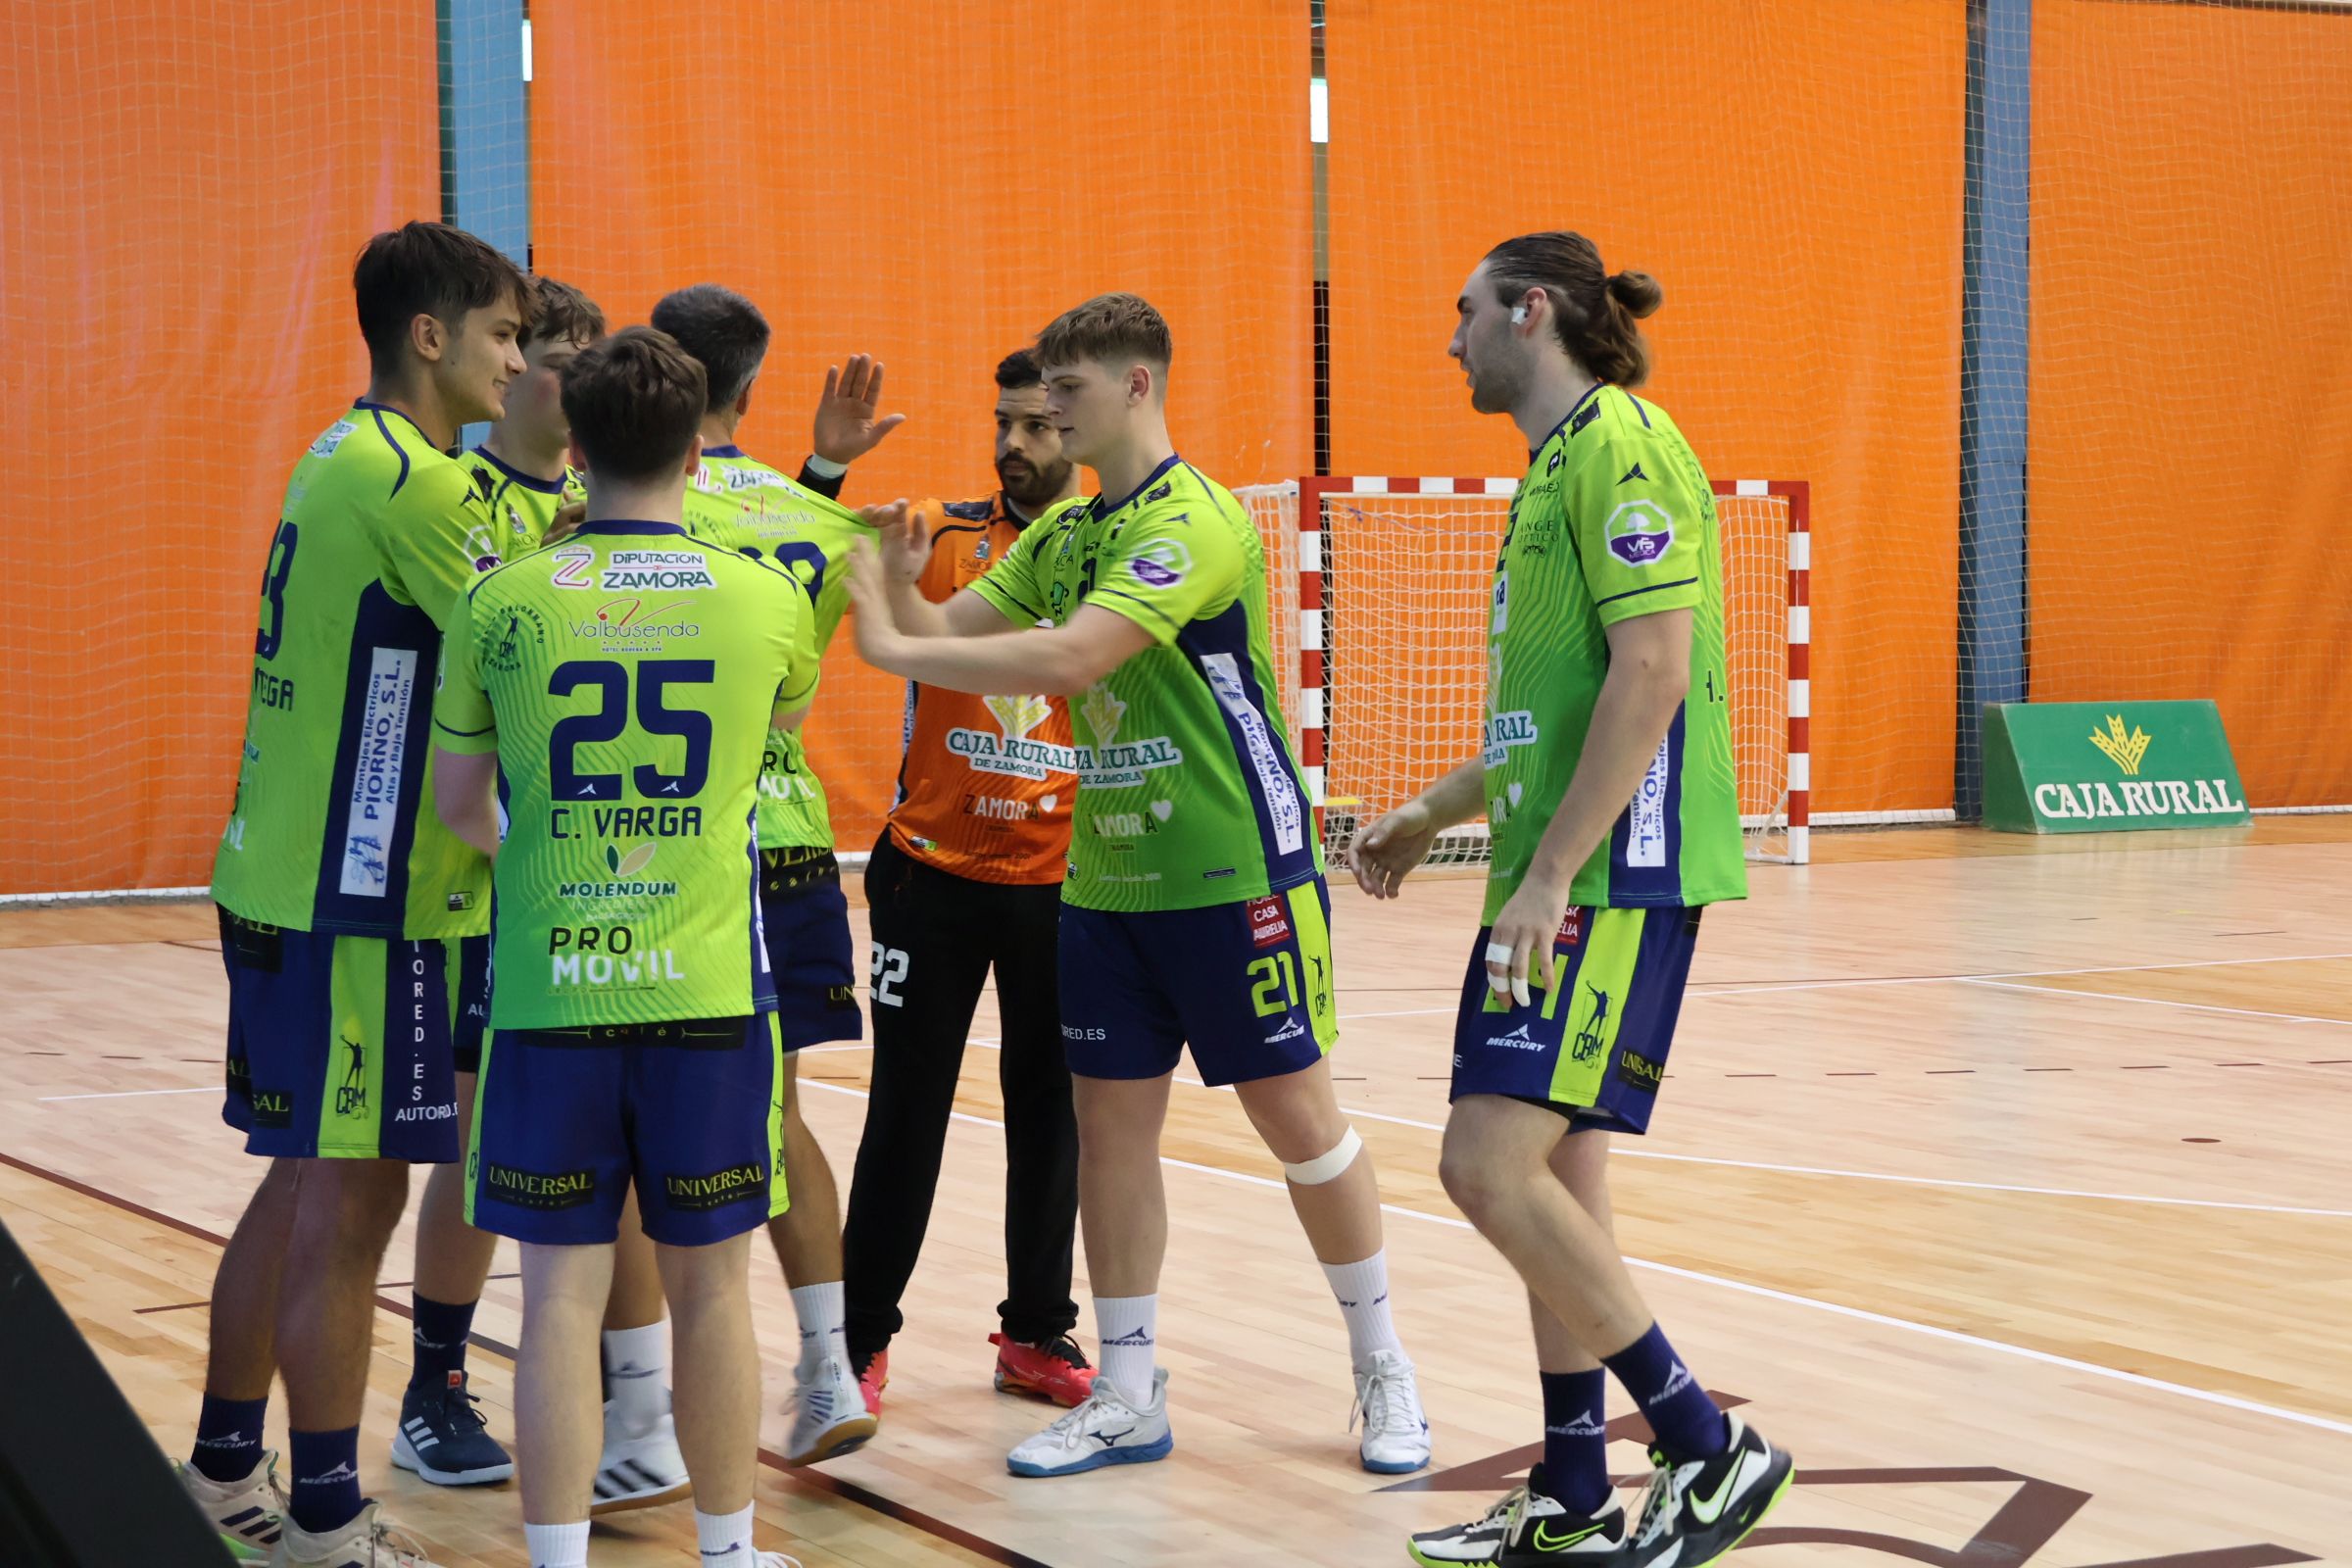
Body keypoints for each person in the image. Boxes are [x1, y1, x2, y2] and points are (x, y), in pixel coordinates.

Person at [846, 293, 1432, 1479]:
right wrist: (899, 592)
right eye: (1041, 394)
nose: (1047, 413)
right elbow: (951, 625)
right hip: (1107, 880)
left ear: (1136, 388)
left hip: (1230, 867)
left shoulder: (1193, 520)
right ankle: (1124, 1388)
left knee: (1299, 1124)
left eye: (1067, 391)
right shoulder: (1064, 535)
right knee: (1112, 1133)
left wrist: (898, 642)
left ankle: (1384, 1364)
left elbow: (1073, 656)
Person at [1352, 233, 1792, 1568]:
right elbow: (1559, 717)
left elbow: (1654, 672)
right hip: (1558, 870)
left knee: (1483, 1165)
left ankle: (1711, 1451)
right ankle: (1573, 1489)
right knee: (1556, 1178)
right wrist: (1437, 813)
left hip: (1612, 874)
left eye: (1467, 312)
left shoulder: (1623, 445)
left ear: (1530, 312)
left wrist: (1550, 874)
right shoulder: (1554, 468)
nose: (1452, 338)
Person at [432, 323, 816, 1568]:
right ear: (698, 444)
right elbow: (769, 746)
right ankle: (725, 1551)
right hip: (706, 992)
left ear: (579, 443)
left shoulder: (503, 600)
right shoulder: (765, 600)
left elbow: (456, 805)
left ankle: (555, 1561)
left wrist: (551, 856)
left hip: (550, 993)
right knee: (713, 1293)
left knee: (558, 1302)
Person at [180, 220, 530, 1567]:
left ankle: (223, 1472)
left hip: (301, 878)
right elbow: (531, 653)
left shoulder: (344, 452)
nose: (514, 359)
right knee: (352, 1201)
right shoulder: (418, 484)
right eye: (501, 334)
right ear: (429, 338)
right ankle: (326, 1519)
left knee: (306, 1183)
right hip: (360, 897)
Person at [647, 282, 902, 1464]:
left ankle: (643, 1403)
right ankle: (824, 1366)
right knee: (780, 1108)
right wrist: (822, 473)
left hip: (653, 849)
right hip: (789, 837)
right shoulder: (819, 523)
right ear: (749, 388)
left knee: (639, 1120)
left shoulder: (621, 504)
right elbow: (785, 582)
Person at [839, 350, 1091, 1417]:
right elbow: (840, 574)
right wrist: (841, 498)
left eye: (1038, 426)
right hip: (930, 877)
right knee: (905, 1111)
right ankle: (853, 1344)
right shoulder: (935, 535)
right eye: (1005, 423)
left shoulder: (1119, 553)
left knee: (1053, 1114)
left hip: (1062, 883)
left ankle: (1036, 1333)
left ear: (1077, 434)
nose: (1015, 445)